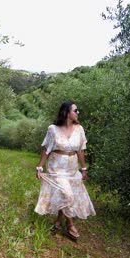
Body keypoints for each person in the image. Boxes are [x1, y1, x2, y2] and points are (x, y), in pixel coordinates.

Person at [34, 101, 96, 240]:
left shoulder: (79, 129)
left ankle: (58, 221)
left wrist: (84, 168)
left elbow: (80, 150)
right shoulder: (52, 129)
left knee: (66, 193)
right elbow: (46, 149)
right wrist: (39, 167)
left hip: (72, 168)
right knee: (67, 194)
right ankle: (70, 225)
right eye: (75, 110)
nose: (78, 113)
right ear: (66, 113)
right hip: (56, 167)